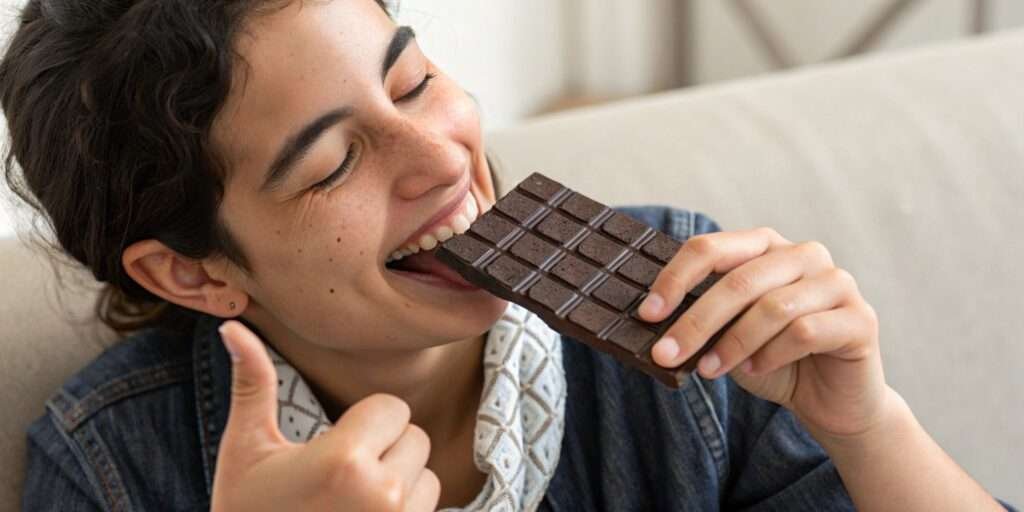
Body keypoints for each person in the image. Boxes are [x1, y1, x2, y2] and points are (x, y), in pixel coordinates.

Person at [1, 1, 1016, 511]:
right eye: (333, 162)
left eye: (410, 84)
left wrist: (870, 424)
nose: (439, 153)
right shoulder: (112, 463)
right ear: (193, 270)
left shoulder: (685, 316)